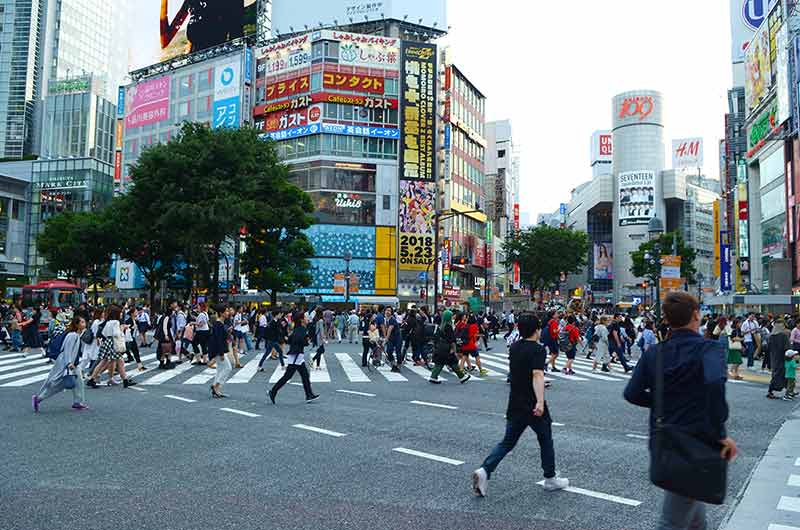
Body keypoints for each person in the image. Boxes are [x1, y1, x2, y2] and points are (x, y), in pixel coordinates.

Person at [624, 291, 736, 530]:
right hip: (697, 441)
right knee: (673, 521)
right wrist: (720, 433)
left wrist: (663, 401)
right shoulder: (709, 349)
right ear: (696, 314)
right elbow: (715, 385)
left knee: (693, 514)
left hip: (665, 440)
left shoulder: (655, 352)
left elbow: (632, 393)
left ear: (666, 318)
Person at [471, 313, 568, 497]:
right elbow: (537, 374)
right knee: (545, 439)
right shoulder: (538, 350)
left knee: (507, 442)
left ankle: (484, 470)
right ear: (536, 329)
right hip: (532, 403)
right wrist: (540, 401)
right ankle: (550, 478)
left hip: (515, 401)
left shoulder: (514, 347)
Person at [32, 315, 89, 413]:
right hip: (67, 363)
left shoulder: (76, 335)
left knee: (78, 382)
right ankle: (38, 398)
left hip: (72, 363)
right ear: (77, 324)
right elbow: (67, 350)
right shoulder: (73, 335)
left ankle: (77, 402)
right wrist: (69, 363)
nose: (85, 324)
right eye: (82, 322)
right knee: (58, 384)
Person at [268, 310, 319, 404]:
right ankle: (273, 391)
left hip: (297, 354)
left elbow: (290, 340)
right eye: (305, 317)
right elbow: (297, 340)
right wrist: (306, 341)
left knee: (304, 375)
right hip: (296, 355)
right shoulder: (301, 329)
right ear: (301, 320)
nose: (307, 318)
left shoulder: (299, 328)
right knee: (288, 376)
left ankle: (309, 395)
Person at [428, 310, 470, 384]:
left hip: (439, 347)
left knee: (439, 363)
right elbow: (452, 340)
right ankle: (462, 376)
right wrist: (454, 349)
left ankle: (433, 377)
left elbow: (436, 338)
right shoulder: (449, 327)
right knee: (453, 362)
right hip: (447, 348)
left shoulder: (440, 326)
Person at [208, 306, 231, 399]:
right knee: (228, 368)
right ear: (221, 313)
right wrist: (221, 353)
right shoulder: (218, 324)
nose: (228, 313)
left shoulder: (220, 323)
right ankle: (216, 386)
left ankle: (215, 388)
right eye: (226, 311)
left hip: (218, 350)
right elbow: (218, 340)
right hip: (218, 351)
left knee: (220, 369)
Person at [767, 318, 791, 400]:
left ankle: (772, 391)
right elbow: (787, 348)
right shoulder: (784, 335)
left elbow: (768, 347)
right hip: (782, 357)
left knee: (776, 374)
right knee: (785, 374)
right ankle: (787, 392)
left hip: (773, 357)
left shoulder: (771, 336)